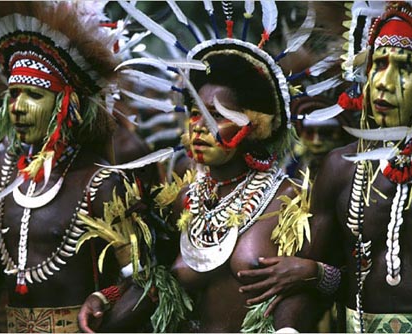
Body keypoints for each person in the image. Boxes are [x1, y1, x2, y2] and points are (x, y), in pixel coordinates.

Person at [77, 1, 341, 332]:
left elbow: (339, 285)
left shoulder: (289, 203)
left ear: (255, 125)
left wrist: (314, 273)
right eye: (195, 112)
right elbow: (151, 281)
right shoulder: (180, 199)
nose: (199, 126)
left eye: (216, 115)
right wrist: (108, 297)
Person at [237, 1, 412, 332]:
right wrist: (307, 290)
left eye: (404, 67)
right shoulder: (341, 168)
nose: (384, 81)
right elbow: (309, 282)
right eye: (378, 64)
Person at [0, 2, 143, 332]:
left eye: (34, 95)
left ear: (66, 102)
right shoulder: (0, 169)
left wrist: (105, 299)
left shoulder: (100, 182)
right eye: (13, 94)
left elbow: (145, 282)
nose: (18, 108)